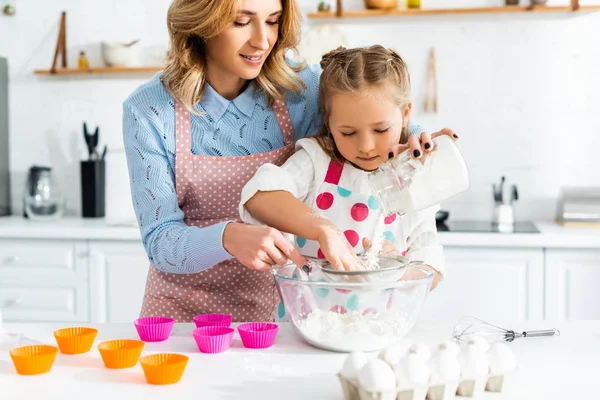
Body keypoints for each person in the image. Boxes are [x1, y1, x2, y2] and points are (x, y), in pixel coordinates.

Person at [122, 0, 452, 323]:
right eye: (242, 21)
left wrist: (415, 137)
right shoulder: (150, 110)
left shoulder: (300, 88)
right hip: (180, 317)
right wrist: (228, 236)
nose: (262, 41)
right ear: (201, 20)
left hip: (274, 315)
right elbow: (160, 240)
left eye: (273, 20)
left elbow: (371, 99)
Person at [240, 45, 455, 294]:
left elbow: (432, 262)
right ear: (327, 122)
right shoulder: (316, 163)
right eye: (348, 132)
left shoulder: (414, 177)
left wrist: (399, 273)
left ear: (406, 114)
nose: (365, 146)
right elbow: (259, 195)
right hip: (310, 320)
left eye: (381, 129)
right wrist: (323, 229)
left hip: (384, 325)